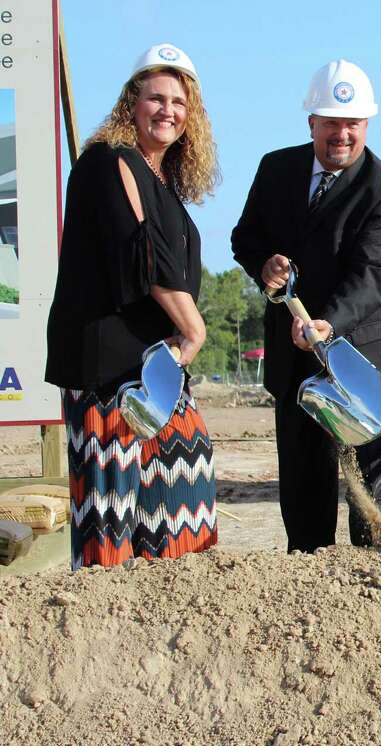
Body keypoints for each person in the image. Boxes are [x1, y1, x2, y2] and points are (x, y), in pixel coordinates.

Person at [45, 43, 219, 569]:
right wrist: (195, 330)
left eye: (179, 102)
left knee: (183, 497)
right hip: (109, 369)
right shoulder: (110, 160)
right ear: (131, 102)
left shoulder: (163, 181)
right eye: (156, 98)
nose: (167, 110)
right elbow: (141, 254)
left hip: (155, 367)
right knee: (110, 520)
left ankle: (172, 623)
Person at [231, 59, 381, 552]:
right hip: (294, 360)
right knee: (304, 482)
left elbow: (373, 277)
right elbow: (245, 237)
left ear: (367, 125)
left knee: (367, 485)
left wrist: (329, 324)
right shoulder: (275, 169)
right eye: (331, 121)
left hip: (358, 361)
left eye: (352, 123)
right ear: (311, 121)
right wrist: (262, 265)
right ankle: (310, 581)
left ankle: (376, 583)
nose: (342, 134)